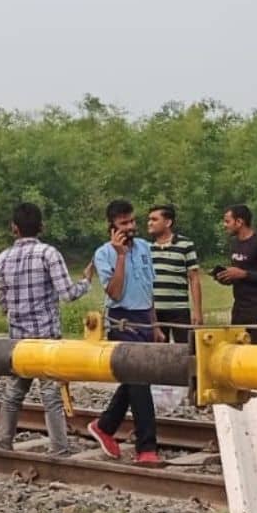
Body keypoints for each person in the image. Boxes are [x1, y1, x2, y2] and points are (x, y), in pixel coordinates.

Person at [0, 202, 91, 456]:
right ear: (41, 226)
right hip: (47, 337)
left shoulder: (1, 258)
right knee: (51, 394)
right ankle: (59, 447)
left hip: (18, 340)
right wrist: (86, 282)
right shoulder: (49, 254)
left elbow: (2, 302)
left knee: (14, 392)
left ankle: (4, 442)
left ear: (13, 228)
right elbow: (68, 294)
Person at [87, 199, 164, 467]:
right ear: (112, 227)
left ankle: (105, 426)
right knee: (139, 382)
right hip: (122, 321)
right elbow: (115, 293)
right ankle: (147, 447)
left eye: (132, 221)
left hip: (144, 318)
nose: (130, 227)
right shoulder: (104, 254)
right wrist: (120, 255)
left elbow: (149, 288)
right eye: (123, 224)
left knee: (136, 381)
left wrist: (155, 325)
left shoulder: (144, 248)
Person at [147, 205, 202, 342]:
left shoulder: (185, 245)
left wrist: (197, 311)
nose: (150, 223)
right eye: (149, 219)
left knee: (186, 350)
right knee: (157, 354)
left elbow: (194, 279)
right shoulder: (147, 248)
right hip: (155, 312)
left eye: (154, 219)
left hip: (179, 310)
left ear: (168, 222)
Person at [218, 204, 257, 341]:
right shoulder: (234, 243)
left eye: (227, 221)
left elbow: (244, 273)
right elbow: (238, 273)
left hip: (256, 310)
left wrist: (244, 274)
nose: (225, 225)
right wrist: (227, 277)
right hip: (239, 309)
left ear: (239, 222)